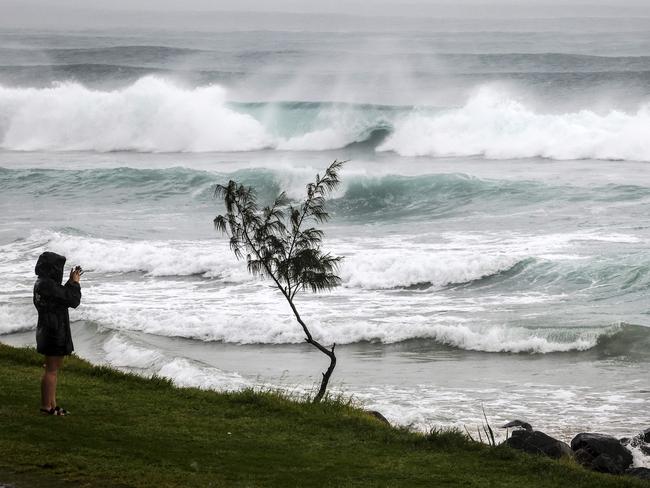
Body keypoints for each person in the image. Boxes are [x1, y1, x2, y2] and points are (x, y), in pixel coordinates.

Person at [33, 252, 82, 416]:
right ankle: (47, 407)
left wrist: (69, 282)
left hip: (48, 330)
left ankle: (52, 405)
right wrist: (75, 284)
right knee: (51, 370)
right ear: (52, 268)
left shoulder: (43, 283)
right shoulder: (48, 285)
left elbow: (62, 298)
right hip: (54, 332)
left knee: (51, 369)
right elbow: (73, 300)